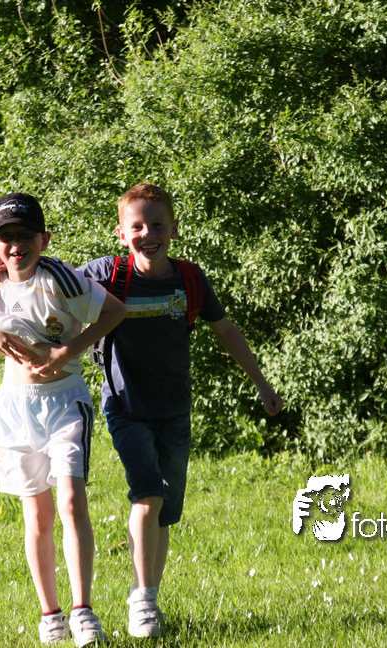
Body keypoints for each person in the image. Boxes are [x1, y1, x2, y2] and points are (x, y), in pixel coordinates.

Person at [80, 183, 283, 638]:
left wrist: (262, 383)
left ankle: (149, 597)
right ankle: (141, 602)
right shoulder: (106, 275)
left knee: (164, 512)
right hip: (125, 407)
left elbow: (225, 330)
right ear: (121, 233)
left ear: (174, 228)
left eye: (157, 225)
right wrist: (10, 266)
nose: (147, 234)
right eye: (137, 226)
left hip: (174, 411)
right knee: (147, 495)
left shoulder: (189, 279)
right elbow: (53, 287)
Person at [0, 192, 126, 646]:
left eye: (25, 235)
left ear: (43, 239)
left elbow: (115, 311)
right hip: (14, 408)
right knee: (38, 516)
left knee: (71, 501)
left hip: (65, 403)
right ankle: (51, 615)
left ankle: (83, 612)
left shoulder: (60, 277)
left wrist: (67, 351)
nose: (16, 245)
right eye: (6, 236)